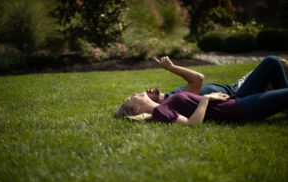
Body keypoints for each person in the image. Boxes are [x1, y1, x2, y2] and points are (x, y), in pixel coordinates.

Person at [116, 56, 288, 125]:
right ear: (138, 108)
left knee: (272, 61)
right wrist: (206, 99)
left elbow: (145, 116)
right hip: (239, 109)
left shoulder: (163, 107)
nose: (133, 94)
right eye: (130, 99)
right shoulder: (161, 110)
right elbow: (192, 124)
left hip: (235, 98)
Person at [146, 56, 288, 103]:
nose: (146, 90)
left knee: (282, 64)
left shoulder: (172, 95)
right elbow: (198, 79)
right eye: (145, 95)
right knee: (272, 62)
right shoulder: (175, 99)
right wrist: (170, 67)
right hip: (238, 95)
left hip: (235, 87)